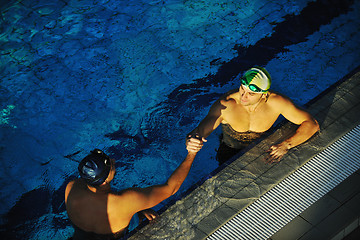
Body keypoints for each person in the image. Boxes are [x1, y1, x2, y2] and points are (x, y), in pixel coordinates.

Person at [186, 66, 319, 165]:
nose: (243, 96)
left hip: (263, 147)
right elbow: (201, 130)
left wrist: (286, 144)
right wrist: (193, 139)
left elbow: (312, 124)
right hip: (230, 149)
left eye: (251, 93)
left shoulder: (276, 102)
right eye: (242, 89)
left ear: (264, 94)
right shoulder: (226, 105)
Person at [65, 148, 197, 240]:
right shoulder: (127, 201)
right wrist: (192, 153)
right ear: (105, 181)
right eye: (111, 165)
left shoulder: (72, 187)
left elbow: (102, 203)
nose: (114, 161)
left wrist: (137, 208)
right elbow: (171, 188)